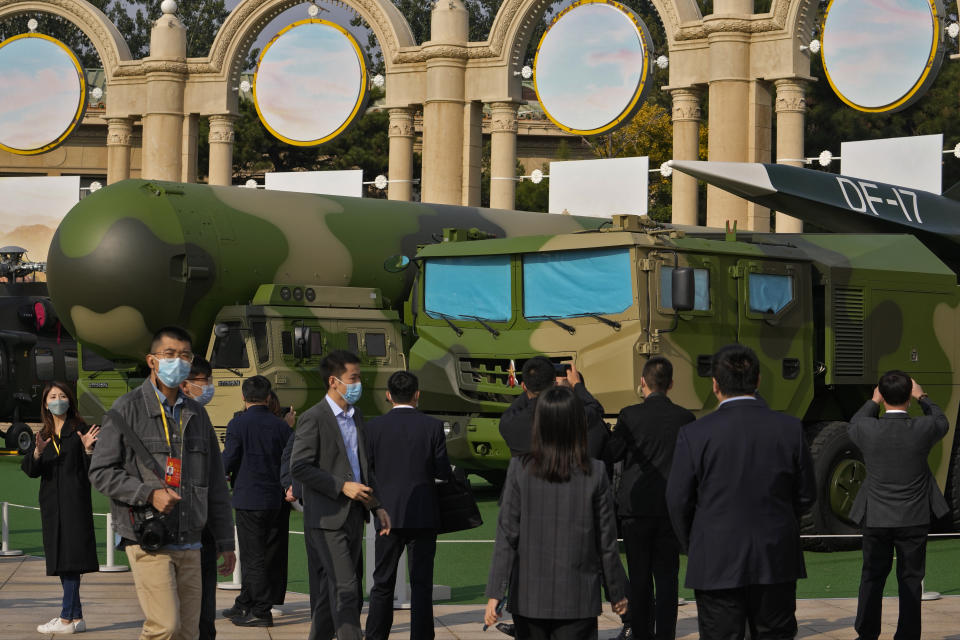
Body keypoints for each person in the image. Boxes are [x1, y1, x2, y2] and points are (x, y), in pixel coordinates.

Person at [89, 325, 236, 640]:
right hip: (149, 538)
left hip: (192, 541)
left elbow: (216, 484)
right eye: (169, 354)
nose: (178, 362)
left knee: (188, 631)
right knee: (164, 628)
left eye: (184, 355)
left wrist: (226, 542)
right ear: (152, 361)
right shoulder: (126, 408)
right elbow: (100, 471)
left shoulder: (196, 414)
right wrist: (148, 493)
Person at [665, 344, 815, 640]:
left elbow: (677, 500)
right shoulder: (789, 428)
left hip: (716, 558)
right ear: (758, 380)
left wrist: (694, 542)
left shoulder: (695, 433)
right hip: (775, 556)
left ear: (715, 384)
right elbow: (807, 494)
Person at [485, 385, 629, 639]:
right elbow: (606, 542)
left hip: (529, 597)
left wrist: (495, 593)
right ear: (577, 424)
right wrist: (616, 592)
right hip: (578, 597)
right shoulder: (594, 472)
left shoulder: (520, 468)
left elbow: (507, 535)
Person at [291, 349, 392, 640]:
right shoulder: (313, 417)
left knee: (331, 590)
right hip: (325, 519)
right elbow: (299, 466)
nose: (359, 383)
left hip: (353, 517)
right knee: (347, 590)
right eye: (354, 378)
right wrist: (340, 486)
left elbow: (363, 468)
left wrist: (377, 506)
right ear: (334, 381)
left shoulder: (356, 415)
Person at [848, 371, 949, 640]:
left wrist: (872, 401)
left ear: (882, 396)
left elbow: (854, 423)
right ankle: (907, 635)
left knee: (871, 578)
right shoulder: (923, 429)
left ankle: (867, 633)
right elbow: (942, 420)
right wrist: (923, 396)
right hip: (913, 517)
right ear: (909, 396)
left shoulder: (867, 429)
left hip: (876, 517)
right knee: (910, 581)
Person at [605, 356, 695, 640]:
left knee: (640, 578)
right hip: (670, 509)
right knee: (668, 578)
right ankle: (666, 634)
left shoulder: (629, 415)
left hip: (636, 508)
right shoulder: (685, 418)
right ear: (671, 384)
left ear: (642, 382)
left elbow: (613, 452)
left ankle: (641, 633)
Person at [364, 371, 452, 640]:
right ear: (417, 394)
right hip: (423, 513)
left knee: (382, 583)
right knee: (422, 584)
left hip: (386, 513)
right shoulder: (433, 426)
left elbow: (367, 471)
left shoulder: (373, 427)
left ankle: (376, 635)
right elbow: (442, 471)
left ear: (388, 396)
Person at [22, 382, 100, 635]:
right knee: (62, 560)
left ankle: (66, 618)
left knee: (71, 560)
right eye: (53, 396)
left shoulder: (81, 430)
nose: (58, 400)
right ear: (45, 403)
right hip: (51, 507)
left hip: (75, 504)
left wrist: (89, 450)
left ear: (70, 400)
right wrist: (36, 452)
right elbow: (32, 472)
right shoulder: (43, 435)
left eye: (62, 395)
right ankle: (76, 617)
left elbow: (96, 473)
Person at [219, 374, 292, 627]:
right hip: (276, 499)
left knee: (253, 556)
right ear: (268, 397)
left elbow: (229, 459)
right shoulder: (282, 426)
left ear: (243, 396)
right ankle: (246, 602)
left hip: (249, 498)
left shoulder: (237, 424)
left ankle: (261, 610)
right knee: (269, 553)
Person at [178, 356, 218, 640]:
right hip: (173, 529)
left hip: (203, 532)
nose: (209, 387)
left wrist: (225, 540)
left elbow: (215, 483)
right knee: (173, 620)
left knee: (205, 616)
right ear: (186, 384)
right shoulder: (157, 417)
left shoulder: (202, 418)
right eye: (205, 382)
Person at [499, 357, 608, 460]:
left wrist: (531, 385)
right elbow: (595, 410)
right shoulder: (569, 415)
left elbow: (519, 403)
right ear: (554, 385)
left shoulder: (508, 423)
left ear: (523, 386)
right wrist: (576, 384)